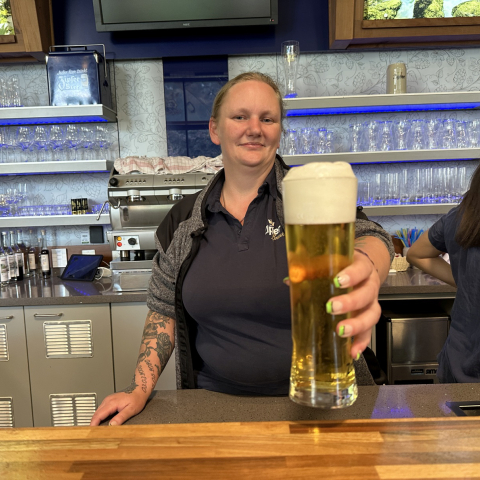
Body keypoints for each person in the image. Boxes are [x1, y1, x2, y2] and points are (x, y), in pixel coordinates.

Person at [90, 72, 394, 426]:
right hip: (213, 408)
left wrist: (365, 264)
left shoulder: (310, 195)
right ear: (215, 129)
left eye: (268, 119)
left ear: (279, 131)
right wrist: (138, 388)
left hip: (322, 402)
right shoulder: (183, 220)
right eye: (240, 116)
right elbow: (163, 311)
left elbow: (371, 236)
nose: (255, 129)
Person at [407, 163, 480, 383]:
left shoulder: (460, 217)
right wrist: (465, 280)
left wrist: (464, 280)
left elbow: (417, 253)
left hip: (459, 360)